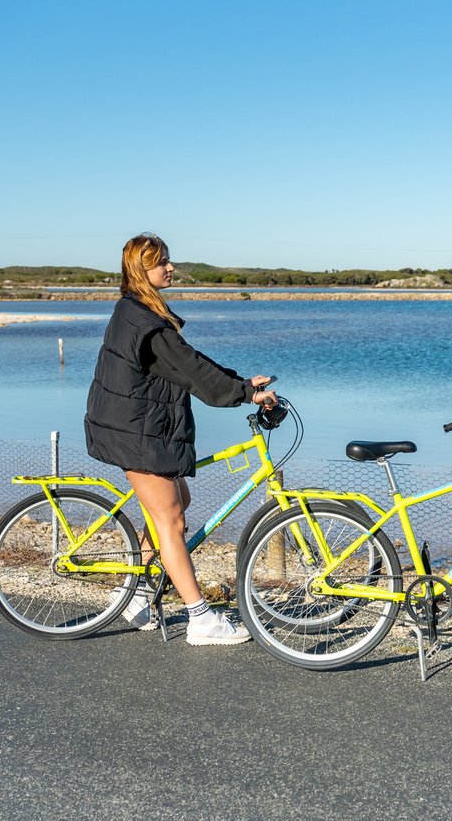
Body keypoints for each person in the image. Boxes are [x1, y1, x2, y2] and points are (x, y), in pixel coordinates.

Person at [84, 233, 277, 645]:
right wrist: (245, 394)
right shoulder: (143, 319)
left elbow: (188, 361)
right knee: (170, 520)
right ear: (141, 270)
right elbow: (189, 369)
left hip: (137, 422)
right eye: (161, 263)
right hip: (135, 429)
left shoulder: (141, 310)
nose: (170, 268)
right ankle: (200, 619)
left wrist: (239, 382)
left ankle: (133, 596)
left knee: (177, 504)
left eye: (169, 260)